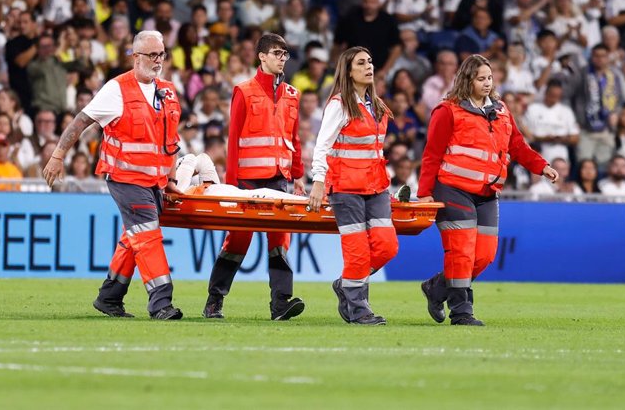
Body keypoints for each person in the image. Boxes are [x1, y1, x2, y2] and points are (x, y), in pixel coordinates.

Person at [43, 31, 184, 321]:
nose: (158, 60)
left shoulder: (167, 90)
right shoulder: (116, 89)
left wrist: (171, 176)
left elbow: (171, 138)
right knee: (147, 235)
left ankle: (110, 297)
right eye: (152, 55)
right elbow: (81, 121)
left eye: (161, 54)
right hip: (125, 177)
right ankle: (161, 303)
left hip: (155, 180)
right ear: (135, 57)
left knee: (134, 237)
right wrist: (58, 155)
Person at [417, 54, 558, 326]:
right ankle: (462, 312)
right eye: (481, 78)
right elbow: (431, 154)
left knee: (484, 255)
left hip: (487, 193)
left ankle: (436, 288)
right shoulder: (447, 110)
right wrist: (425, 193)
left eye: (489, 78)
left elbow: (517, 146)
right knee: (461, 252)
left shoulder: (502, 110)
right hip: (452, 189)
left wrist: (542, 167)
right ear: (467, 80)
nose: (486, 83)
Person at [204, 33, 306, 322]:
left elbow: (294, 139)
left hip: (279, 180)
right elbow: (233, 139)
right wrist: (232, 184)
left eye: (285, 54)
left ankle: (280, 303)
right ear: (261, 56)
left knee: (280, 242)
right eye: (276, 53)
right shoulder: (244, 91)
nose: (281, 58)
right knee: (237, 241)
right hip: (247, 182)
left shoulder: (292, 95)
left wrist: (297, 175)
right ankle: (215, 300)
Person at [308, 46, 399, 326]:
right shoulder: (340, 104)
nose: (369, 66)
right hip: (346, 188)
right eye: (361, 63)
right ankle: (360, 310)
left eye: (370, 61)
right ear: (349, 71)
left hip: (376, 187)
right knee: (357, 251)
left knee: (387, 247)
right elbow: (322, 144)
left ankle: (345, 284)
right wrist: (318, 182)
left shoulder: (377, 106)